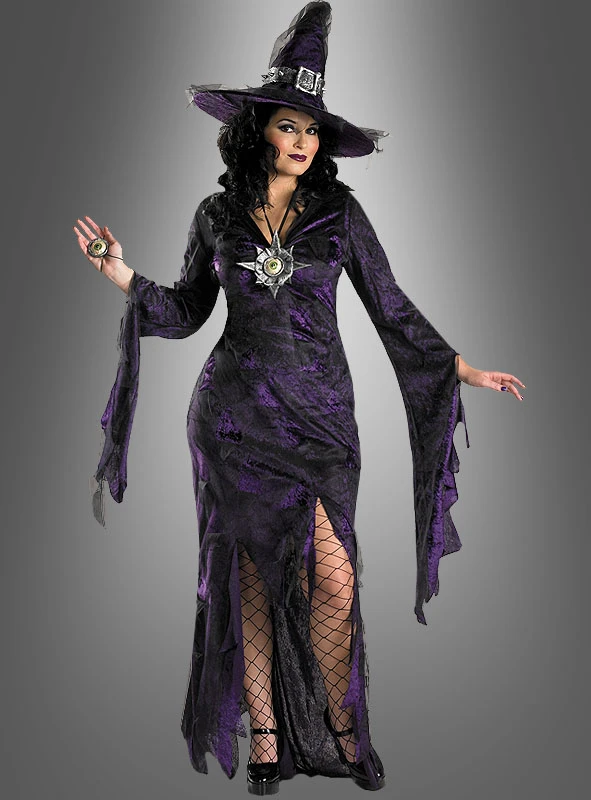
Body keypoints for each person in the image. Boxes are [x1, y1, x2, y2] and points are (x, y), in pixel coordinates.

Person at [73, 2, 525, 795]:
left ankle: (342, 729)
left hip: (321, 425)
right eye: (289, 126)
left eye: (312, 130)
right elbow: (184, 311)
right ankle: (267, 739)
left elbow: (389, 305)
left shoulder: (338, 214)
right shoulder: (216, 215)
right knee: (250, 576)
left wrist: (459, 368)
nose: (304, 142)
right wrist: (119, 273)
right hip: (233, 421)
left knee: (334, 583)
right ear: (259, 132)